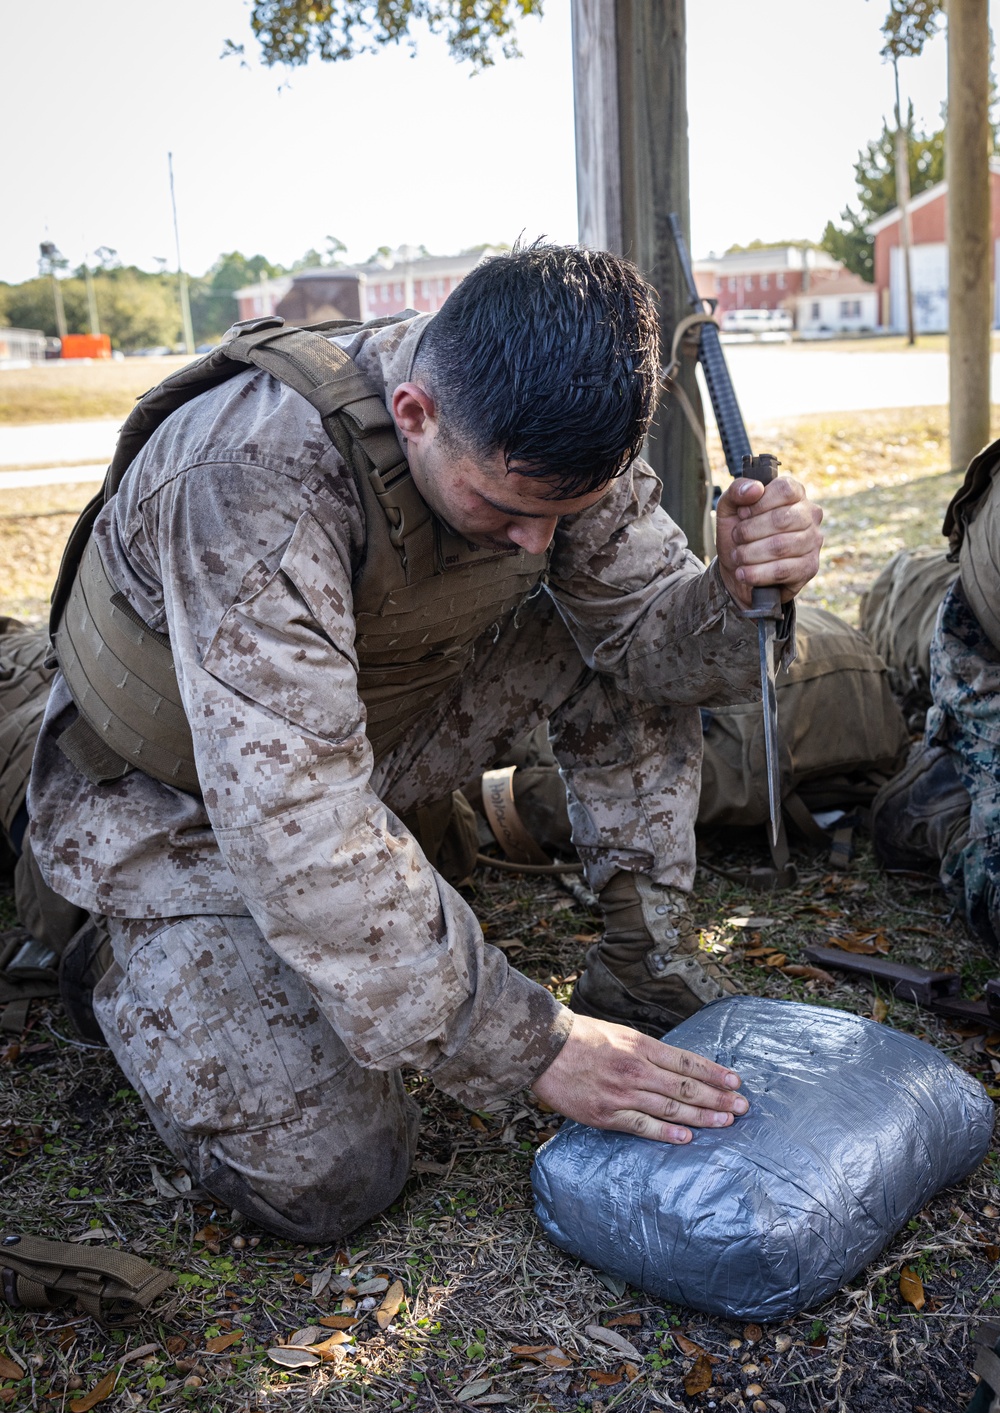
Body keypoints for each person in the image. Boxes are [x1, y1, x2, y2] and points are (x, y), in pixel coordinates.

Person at [27, 244, 823, 1241]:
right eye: (503, 509)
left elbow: (652, 648)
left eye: (560, 515)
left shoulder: (555, 436)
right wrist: (534, 1044)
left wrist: (743, 591)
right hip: (173, 802)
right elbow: (296, 824)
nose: (536, 542)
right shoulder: (251, 475)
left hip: (364, 735)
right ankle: (123, 945)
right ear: (413, 413)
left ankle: (641, 953)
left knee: (599, 642)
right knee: (330, 1176)